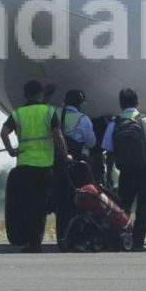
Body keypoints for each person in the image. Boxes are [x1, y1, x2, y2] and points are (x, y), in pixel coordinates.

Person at [0, 81, 60, 250]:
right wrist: (64, 154)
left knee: (29, 204)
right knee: (42, 203)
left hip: (25, 165)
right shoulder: (48, 111)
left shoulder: (18, 113)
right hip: (45, 166)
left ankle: (32, 241)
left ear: (25, 95)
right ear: (40, 95)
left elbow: (3, 132)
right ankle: (37, 240)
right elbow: (57, 135)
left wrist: (11, 150)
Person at [99, 87, 146, 249]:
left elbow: (109, 152)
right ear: (137, 103)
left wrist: (108, 176)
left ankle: (120, 241)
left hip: (127, 172)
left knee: (122, 208)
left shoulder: (114, 123)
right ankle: (138, 243)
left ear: (120, 105)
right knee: (144, 209)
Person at [55, 88, 96, 235]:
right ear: (80, 104)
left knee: (60, 202)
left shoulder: (55, 113)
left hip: (55, 164)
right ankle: (75, 235)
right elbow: (91, 143)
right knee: (77, 201)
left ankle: (61, 235)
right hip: (76, 165)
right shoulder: (83, 119)